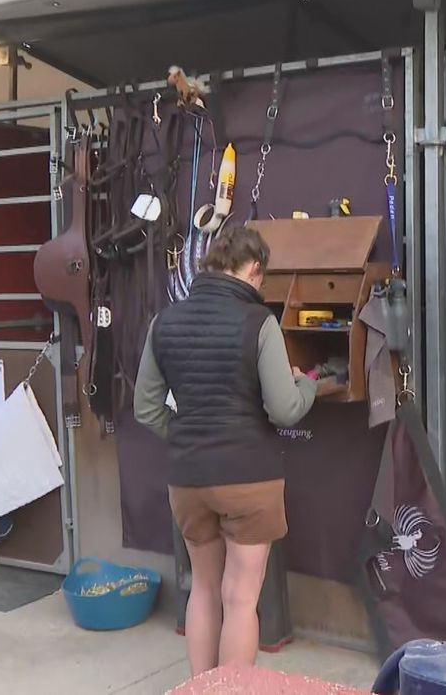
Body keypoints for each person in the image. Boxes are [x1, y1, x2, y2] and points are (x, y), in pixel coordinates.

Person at [134, 226, 317, 676]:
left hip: (189, 479)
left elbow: (146, 409)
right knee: (240, 600)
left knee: (203, 590)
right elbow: (285, 409)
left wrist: (187, 436)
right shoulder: (259, 322)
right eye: (262, 278)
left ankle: (201, 687)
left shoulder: (164, 322)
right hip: (248, 477)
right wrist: (307, 383)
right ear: (253, 268)